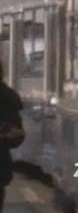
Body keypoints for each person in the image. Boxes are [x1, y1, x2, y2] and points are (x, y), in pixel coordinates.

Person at [0, 60, 23, 209]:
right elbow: (17, 135)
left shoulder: (8, 97)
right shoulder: (10, 96)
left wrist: (13, 135)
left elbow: (16, 134)